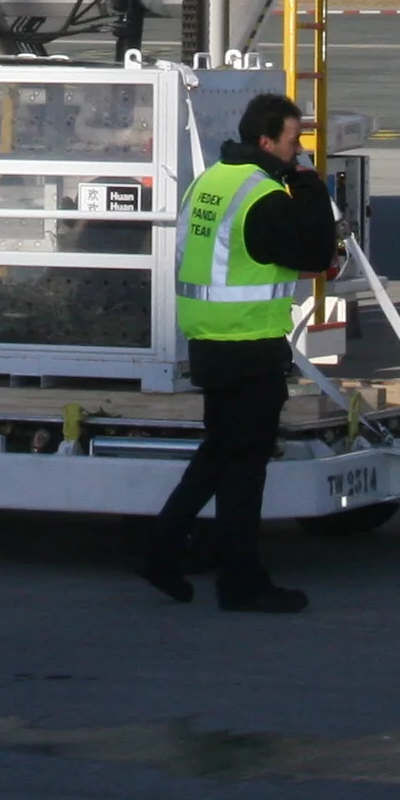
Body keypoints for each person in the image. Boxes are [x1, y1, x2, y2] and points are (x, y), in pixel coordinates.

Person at [141, 92, 338, 612]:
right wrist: (311, 186)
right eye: (295, 143)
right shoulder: (264, 196)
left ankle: (162, 548)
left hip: (209, 338)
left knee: (220, 455)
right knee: (245, 467)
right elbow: (318, 254)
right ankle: (240, 581)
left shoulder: (214, 180)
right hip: (248, 344)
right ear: (267, 141)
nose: (299, 153)